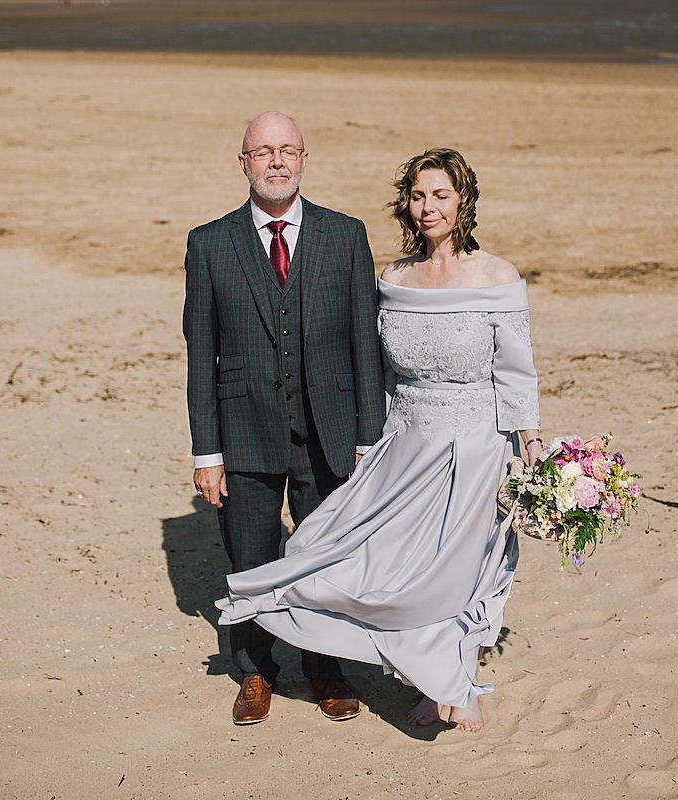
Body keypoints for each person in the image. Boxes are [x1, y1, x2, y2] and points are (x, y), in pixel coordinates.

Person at [217, 147, 542, 732]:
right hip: (407, 442)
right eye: (419, 196)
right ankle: (422, 676)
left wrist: (530, 452)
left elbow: (516, 374)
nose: (428, 208)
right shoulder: (393, 279)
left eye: (441, 195)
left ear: (463, 200)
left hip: (477, 444)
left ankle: (457, 686)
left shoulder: (499, 276)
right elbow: (379, 370)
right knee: (396, 566)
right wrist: (372, 440)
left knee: (462, 568)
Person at [182, 112, 387, 725]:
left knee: (325, 555)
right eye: (262, 151)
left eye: (287, 151)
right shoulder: (209, 242)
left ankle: (325, 667)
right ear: (242, 162)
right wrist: (206, 452)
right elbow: (200, 350)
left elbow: (364, 342)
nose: (276, 161)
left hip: (328, 428)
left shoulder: (345, 235)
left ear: (304, 158)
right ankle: (254, 672)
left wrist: (367, 437)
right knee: (249, 558)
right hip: (244, 431)